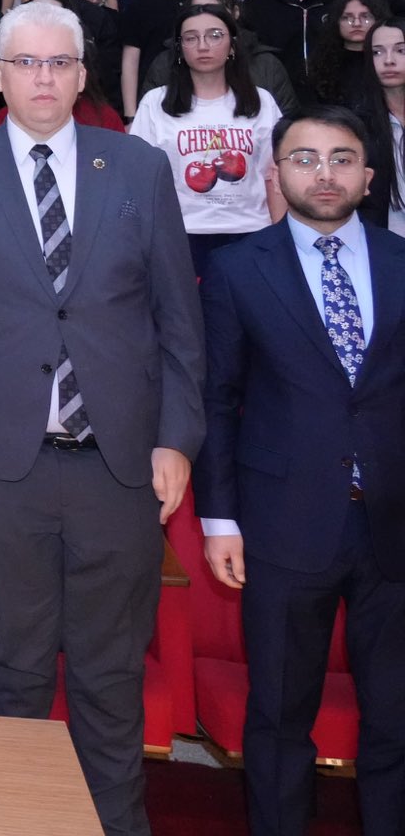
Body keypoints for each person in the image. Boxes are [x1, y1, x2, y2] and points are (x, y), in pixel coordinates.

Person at [0, 0, 205, 836]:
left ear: (82, 76)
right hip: (4, 465)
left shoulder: (139, 167)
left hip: (121, 466)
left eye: (58, 64)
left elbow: (178, 321)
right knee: (12, 667)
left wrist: (177, 438)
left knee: (111, 674)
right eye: (26, 64)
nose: (43, 78)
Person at [198, 111, 405, 836]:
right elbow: (216, 401)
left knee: (397, 718)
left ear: (367, 176)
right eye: (306, 158)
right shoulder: (234, 269)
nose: (325, 173)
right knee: (281, 715)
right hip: (281, 527)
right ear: (276, 173)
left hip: (394, 527)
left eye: (342, 158)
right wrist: (218, 518)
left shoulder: (402, 262)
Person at [129, 2, 285, 273]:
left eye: (214, 35)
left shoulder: (262, 101)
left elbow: (276, 175)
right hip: (180, 235)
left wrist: (280, 236)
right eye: (191, 38)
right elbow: (139, 178)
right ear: (179, 49)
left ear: (233, 45)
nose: (203, 45)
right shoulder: (155, 103)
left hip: (250, 231)